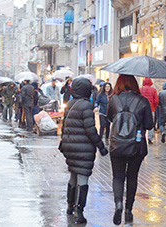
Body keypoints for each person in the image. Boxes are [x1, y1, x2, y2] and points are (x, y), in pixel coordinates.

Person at [59, 77, 108, 224]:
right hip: (84, 148)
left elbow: (64, 126)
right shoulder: (86, 106)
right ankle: (79, 212)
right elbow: (90, 130)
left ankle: (70, 205)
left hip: (69, 147)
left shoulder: (70, 104)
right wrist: (101, 146)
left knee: (73, 174)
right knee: (83, 178)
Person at [106, 75, 153, 224]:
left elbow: (109, 118)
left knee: (117, 176)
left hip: (117, 144)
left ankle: (118, 203)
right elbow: (149, 125)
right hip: (136, 146)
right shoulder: (142, 101)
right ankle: (128, 210)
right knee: (132, 177)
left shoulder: (113, 99)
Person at [140, 78, 159, 144]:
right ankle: (150, 138)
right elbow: (156, 100)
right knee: (151, 124)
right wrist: (154, 106)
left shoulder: (140, 89)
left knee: (141, 123)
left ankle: (142, 136)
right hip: (151, 109)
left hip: (141, 109)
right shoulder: (153, 90)